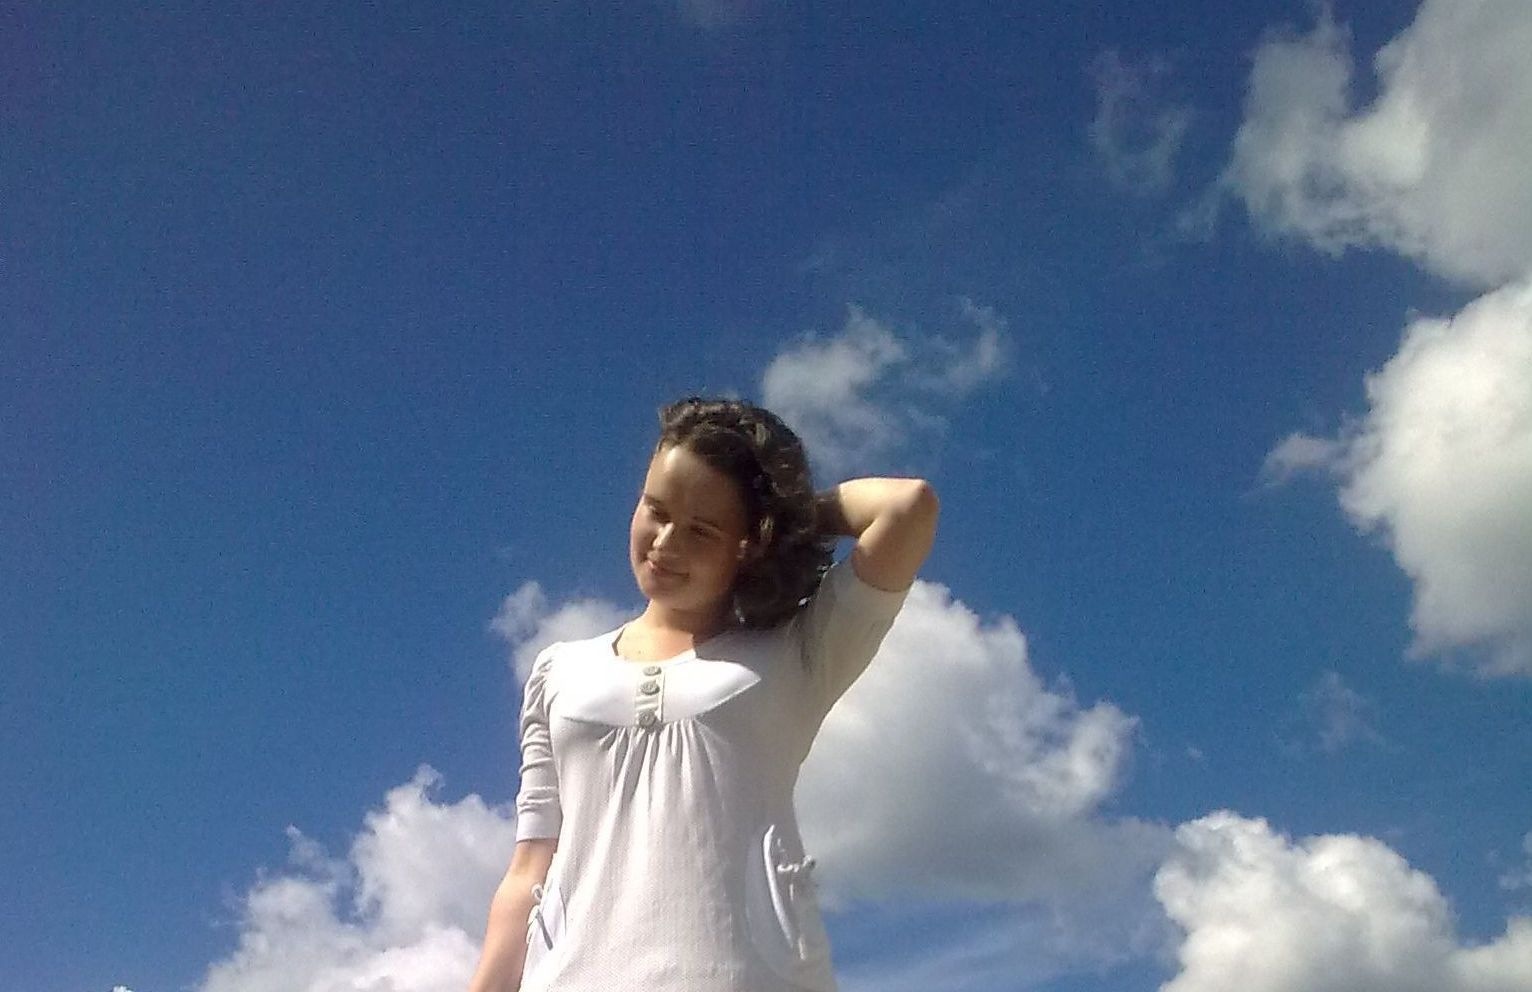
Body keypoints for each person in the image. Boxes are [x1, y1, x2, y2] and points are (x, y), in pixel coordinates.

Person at [468, 396, 939, 992]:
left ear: (750, 541)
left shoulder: (798, 650)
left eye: (701, 529)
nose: (665, 542)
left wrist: (786, 523)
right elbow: (530, 868)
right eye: (656, 510)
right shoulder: (559, 669)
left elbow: (906, 507)